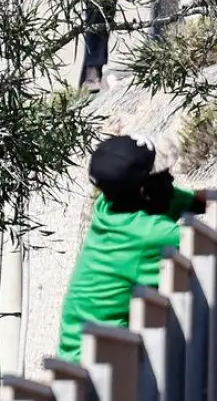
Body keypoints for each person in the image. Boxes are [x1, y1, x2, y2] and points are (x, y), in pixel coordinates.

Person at [55, 133, 208, 361]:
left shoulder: (108, 205)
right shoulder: (150, 235)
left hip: (78, 353)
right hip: (95, 367)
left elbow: (198, 200)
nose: (171, 179)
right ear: (144, 192)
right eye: (162, 175)